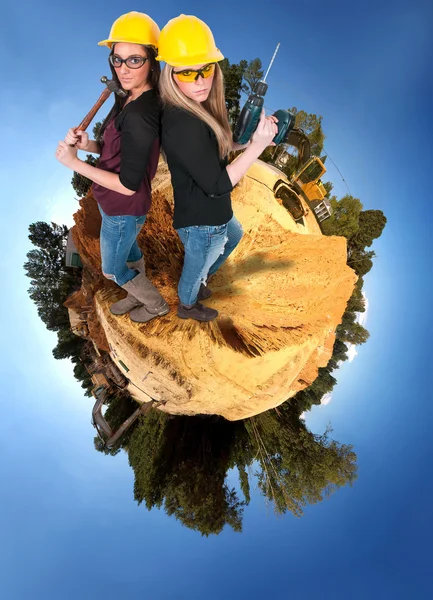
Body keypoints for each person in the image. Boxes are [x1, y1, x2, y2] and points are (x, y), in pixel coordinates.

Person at [157, 14, 278, 322]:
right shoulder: (181, 122)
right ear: (170, 75)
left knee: (233, 236)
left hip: (216, 214)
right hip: (201, 221)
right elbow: (218, 184)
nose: (200, 80)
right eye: (187, 73)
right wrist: (256, 148)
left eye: (205, 69)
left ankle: (198, 281)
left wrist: (247, 141)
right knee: (194, 267)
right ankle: (188, 304)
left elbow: (216, 152)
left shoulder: (197, 108)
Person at [55, 11, 169, 323]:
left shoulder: (142, 114)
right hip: (114, 205)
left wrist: (74, 163)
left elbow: (129, 183)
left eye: (135, 60)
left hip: (123, 208)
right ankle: (136, 292)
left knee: (112, 268)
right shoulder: (127, 97)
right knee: (129, 253)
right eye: (117, 59)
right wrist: (88, 146)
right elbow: (114, 150)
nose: (123, 68)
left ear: (152, 60)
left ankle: (155, 304)